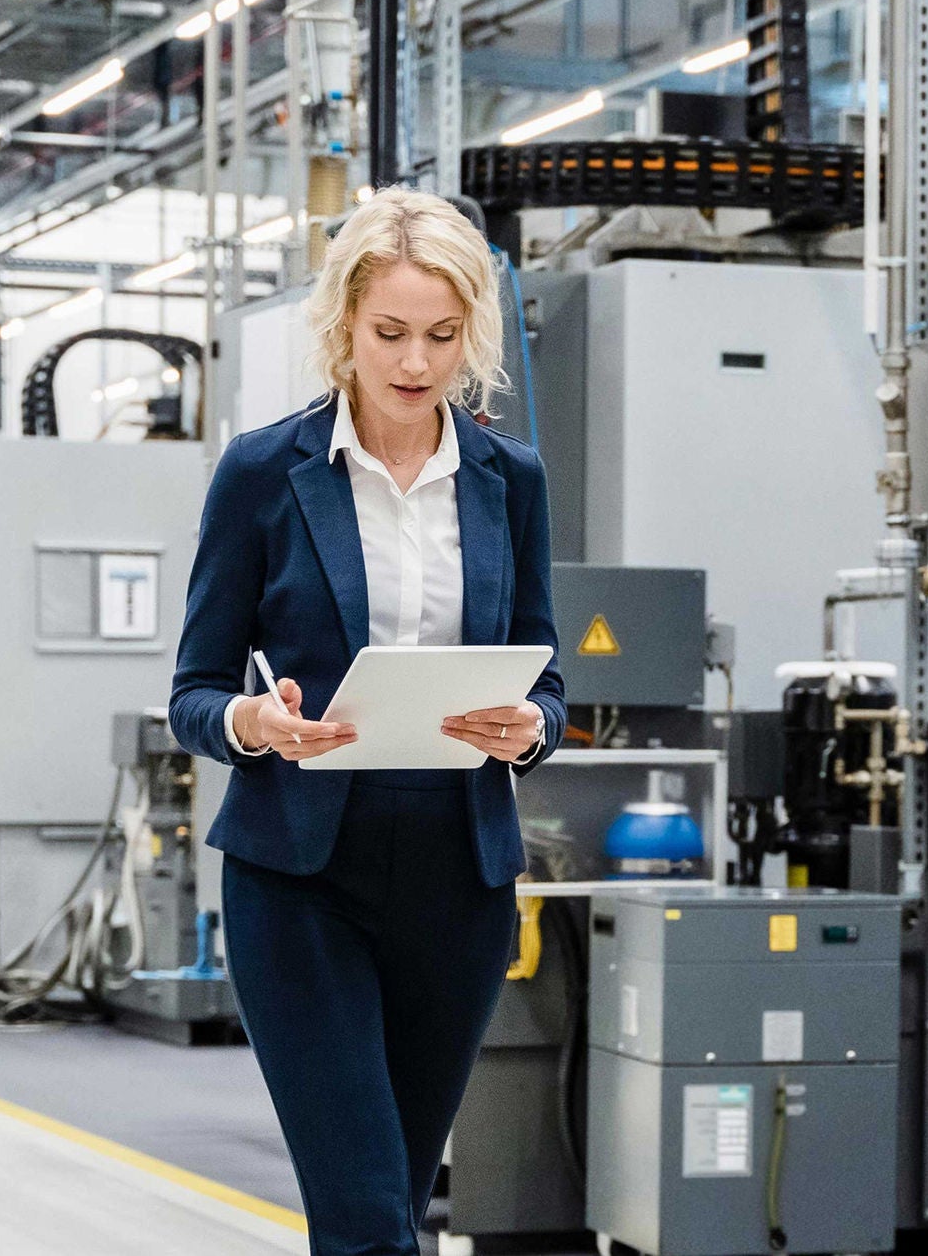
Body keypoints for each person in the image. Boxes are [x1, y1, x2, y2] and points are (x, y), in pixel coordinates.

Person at [168, 187, 566, 1255]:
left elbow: (549, 678)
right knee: (360, 1217)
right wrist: (251, 721)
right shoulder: (263, 472)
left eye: (441, 336)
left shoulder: (506, 479)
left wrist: (526, 726)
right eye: (389, 333)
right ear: (343, 324)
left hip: (458, 882)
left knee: (394, 1205)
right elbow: (193, 691)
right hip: (299, 881)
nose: (414, 362)